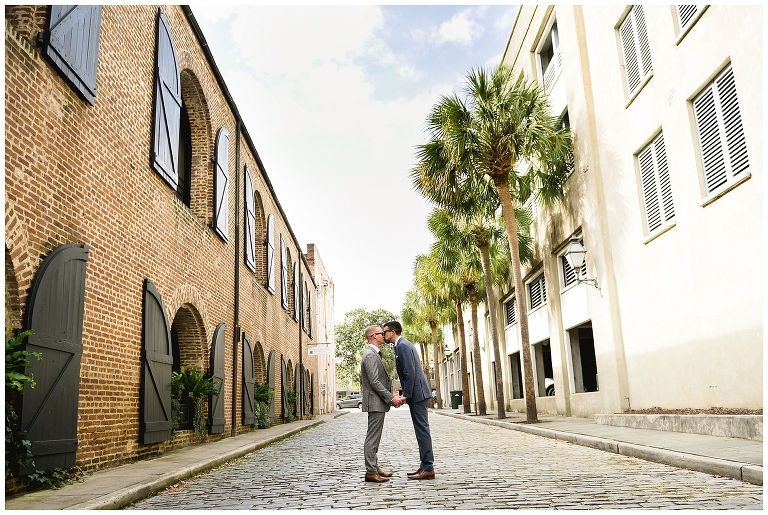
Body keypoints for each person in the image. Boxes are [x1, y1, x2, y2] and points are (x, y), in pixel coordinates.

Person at [383, 320, 435, 480]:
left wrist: (406, 394)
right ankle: (425, 465)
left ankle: (428, 468)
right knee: (421, 429)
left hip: (418, 393)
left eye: (385, 332)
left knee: (422, 430)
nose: (383, 335)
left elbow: (409, 372)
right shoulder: (402, 344)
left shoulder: (403, 345)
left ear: (393, 332)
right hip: (418, 392)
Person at [361, 325, 405, 483]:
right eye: (381, 333)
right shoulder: (370, 355)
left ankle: (374, 467)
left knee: (375, 437)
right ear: (374, 336)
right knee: (372, 438)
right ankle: (370, 472)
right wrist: (391, 398)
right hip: (375, 402)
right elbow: (374, 381)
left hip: (377, 402)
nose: (384, 336)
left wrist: (391, 393)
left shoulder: (374, 353)